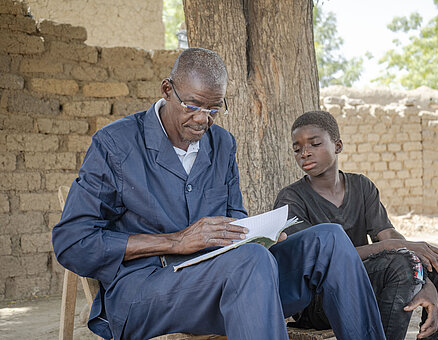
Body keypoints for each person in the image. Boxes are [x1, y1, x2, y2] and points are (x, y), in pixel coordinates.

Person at [53, 48, 386, 340]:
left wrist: (260, 237)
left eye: (214, 108)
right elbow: (72, 243)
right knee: (251, 263)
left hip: (229, 281)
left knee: (329, 240)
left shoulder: (222, 143)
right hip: (147, 289)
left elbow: (234, 219)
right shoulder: (116, 144)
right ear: (167, 90)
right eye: (193, 105)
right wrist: (174, 241)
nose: (203, 120)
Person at [274, 110, 438, 340]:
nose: (305, 153)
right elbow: (321, 258)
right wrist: (396, 250)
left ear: (338, 146)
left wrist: (425, 280)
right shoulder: (291, 199)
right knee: (401, 265)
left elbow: (387, 233)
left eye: (314, 144)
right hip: (321, 298)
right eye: (297, 149)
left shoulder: (362, 186)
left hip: (368, 278)